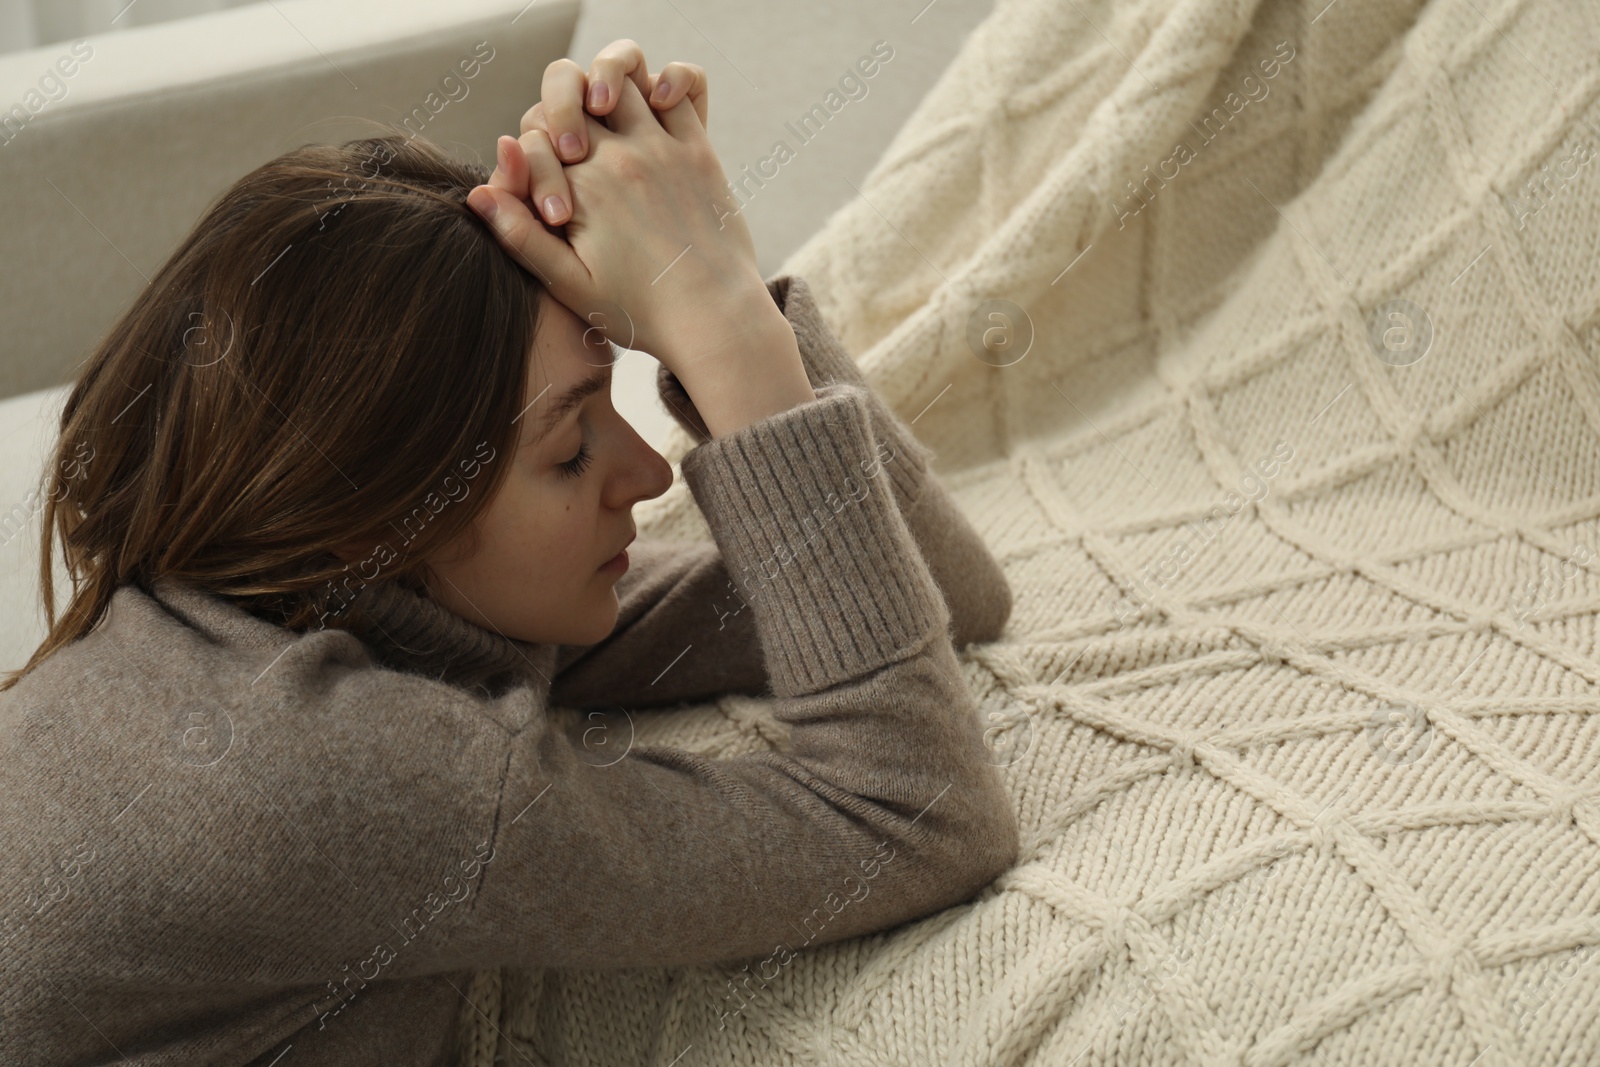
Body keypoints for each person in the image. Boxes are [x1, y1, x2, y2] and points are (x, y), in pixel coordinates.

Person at [0, 40, 1019, 1065]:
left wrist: (717, 288)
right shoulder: (345, 776)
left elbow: (938, 592)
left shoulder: (330, 588)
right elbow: (920, 811)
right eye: (571, 447)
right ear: (380, 513)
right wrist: (722, 334)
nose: (651, 475)